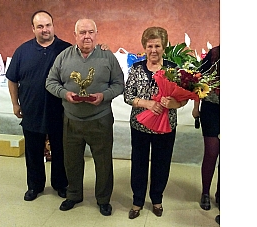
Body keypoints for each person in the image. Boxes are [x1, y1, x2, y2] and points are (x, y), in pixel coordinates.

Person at [6, 10, 109, 202]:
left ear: (53, 26)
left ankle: (61, 184)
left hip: (60, 111)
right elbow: (12, 79)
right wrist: (15, 103)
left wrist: (101, 48)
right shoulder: (22, 51)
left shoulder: (67, 50)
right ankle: (34, 186)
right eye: (40, 26)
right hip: (31, 110)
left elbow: (88, 58)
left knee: (62, 151)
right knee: (33, 152)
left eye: (48, 25)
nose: (45, 30)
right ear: (33, 29)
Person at [45, 19, 124, 216]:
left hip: (100, 119)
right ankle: (73, 195)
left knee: (103, 162)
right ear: (75, 35)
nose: (86, 36)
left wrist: (103, 96)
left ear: (97, 34)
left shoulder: (107, 57)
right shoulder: (63, 57)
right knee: (71, 161)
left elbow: (119, 84)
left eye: (90, 32)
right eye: (82, 32)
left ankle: (103, 199)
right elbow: (50, 81)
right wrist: (65, 94)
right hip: (71, 119)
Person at [123, 26, 188, 219]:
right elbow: (128, 96)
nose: (153, 50)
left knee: (162, 164)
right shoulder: (136, 68)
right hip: (139, 126)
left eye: (157, 46)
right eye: (150, 46)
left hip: (166, 127)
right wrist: (148, 104)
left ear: (164, 47)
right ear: (144, 47)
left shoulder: (173, 70)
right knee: (139, 163)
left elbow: (183, 99)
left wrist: (173, 103)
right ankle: (137, 201)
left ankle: (157, 199)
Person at [192, 46, 220, 211]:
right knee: (211, 152)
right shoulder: (215, 53)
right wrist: (196, 106)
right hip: (211, 108)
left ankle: (221, 193)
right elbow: (197, 78)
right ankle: (205, 192)